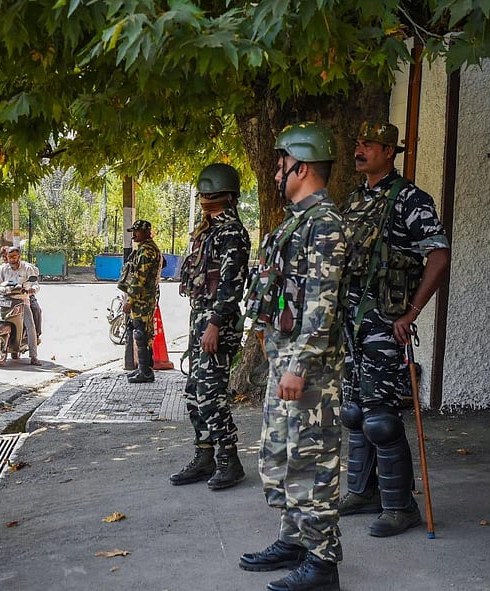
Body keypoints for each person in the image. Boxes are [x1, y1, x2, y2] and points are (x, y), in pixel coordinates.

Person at [238, 122, 346, 591]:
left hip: (310, 368)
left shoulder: (325, 225)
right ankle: (294, 540)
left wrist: (299, 364)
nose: (275, 172)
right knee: (281, 455)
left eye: (280, 164)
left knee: (312, 460)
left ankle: (323, 564)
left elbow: (321, 303)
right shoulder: (297, 221)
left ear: (300, 166)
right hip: (286, 360)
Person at [337, 121, 451, 537]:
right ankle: (363, 492)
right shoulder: (354, 201)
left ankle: (400, 507)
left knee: (381, 418)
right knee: (354, 412)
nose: (360, 148)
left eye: (369, 144)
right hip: (352, 324)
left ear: (389, 151)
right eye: (358, 141)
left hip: (386, 323)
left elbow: (438, 256)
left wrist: (412, 312)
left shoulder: (410, 200)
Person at [171, 163, 250, 490]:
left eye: (212, 196)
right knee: (194, 391)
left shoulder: (233, 233)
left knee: (210, 391)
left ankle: (229, 459)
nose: (206, 201)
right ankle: (205, 455)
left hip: (218, 321)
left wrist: (215, 324)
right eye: (204, 196)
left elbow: (232, 284)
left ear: (228, 197)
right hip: (201, 319)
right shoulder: (208, 231)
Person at [116, 220, 161, 384]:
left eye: (137, 231)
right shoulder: (146, 248)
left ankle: (146, 372)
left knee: (141, 334)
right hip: (145, 298)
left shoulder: (146, 251)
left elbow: (139, 278)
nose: (134, 235)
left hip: (142, 299)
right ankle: (144, 369)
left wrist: (130, 299)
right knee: (143, 334)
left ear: (146, 232)